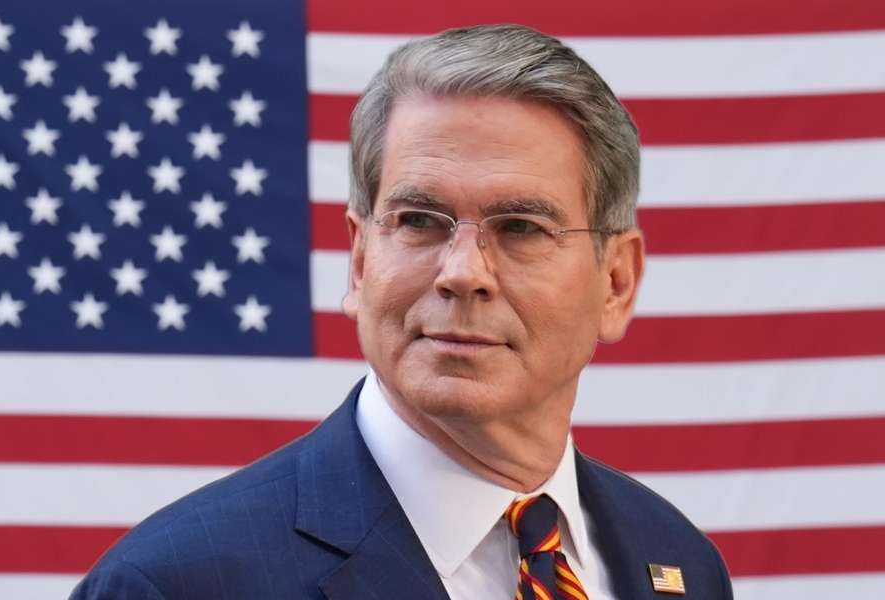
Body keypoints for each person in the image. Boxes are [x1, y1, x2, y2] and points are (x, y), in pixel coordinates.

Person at [72, 24, 733, 599]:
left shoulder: (677, 560)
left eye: (521, 228)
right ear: (361, 262)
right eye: (419, 220)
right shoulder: (175, 585)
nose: (462, 272)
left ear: (615, 283)